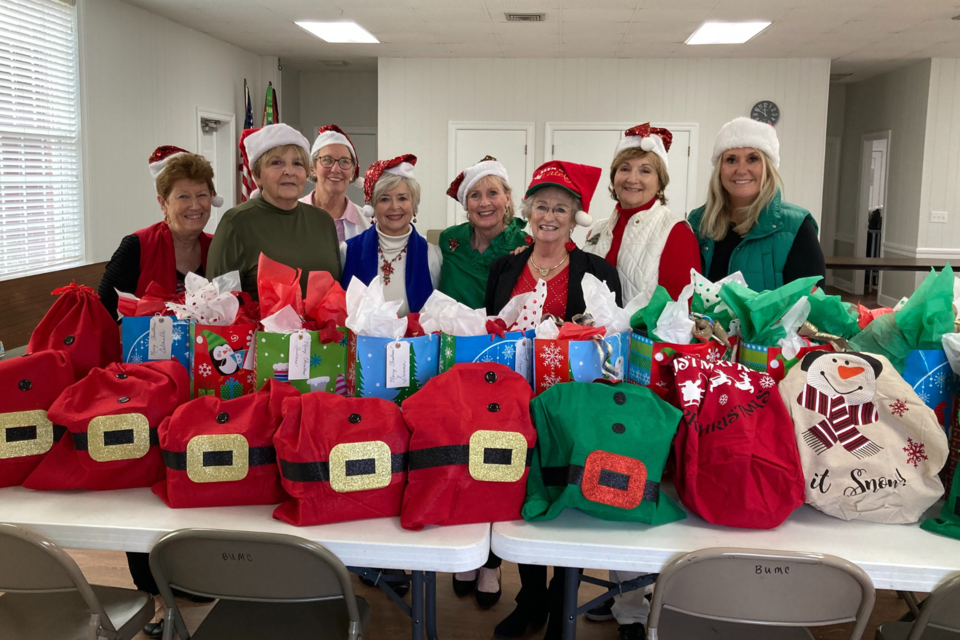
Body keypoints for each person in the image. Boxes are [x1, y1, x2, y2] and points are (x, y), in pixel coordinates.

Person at [486, 161, 621, 640]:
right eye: (541, 205)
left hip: (571, 405)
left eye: (560, 208)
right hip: (513, 402)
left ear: (574, 217)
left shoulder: (598, 272)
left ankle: (562, 600)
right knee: (523, 493)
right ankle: (531, 598)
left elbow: (611, 339)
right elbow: (492, 330)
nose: (549, 215)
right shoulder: (504, 267)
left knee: (565, 494)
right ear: (527, 212)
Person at [687, 117, 826, 291]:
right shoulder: (698, 222)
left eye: (753, 159)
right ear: (719, 169)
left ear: (768, 167)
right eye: (731, 160)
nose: (741, 170)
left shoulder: (796, 224)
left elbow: (811, 304)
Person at [207, 124, 341, 298]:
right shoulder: (236, 223)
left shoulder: (322, 221)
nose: (289, 171)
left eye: (297, 164)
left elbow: (337, 291)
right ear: (257, 175)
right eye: (276, 163)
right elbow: (219, 303)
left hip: (325, 325)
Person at [98, 146, 222, 321]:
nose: (195, 206)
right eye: (183, 197)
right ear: (163, 203)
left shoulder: (218, 247)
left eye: (202, 195)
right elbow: (102, 315)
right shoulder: (137, 247)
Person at [584, 124, 700, 304]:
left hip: (641, 333)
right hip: (593, 331)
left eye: (645, 171)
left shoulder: (676, 233)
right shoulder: (599, 230)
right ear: (614, 177)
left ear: (660, 182)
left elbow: (680, 311)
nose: (632, 179)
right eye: (624, 168)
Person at [340, 154, 441, 316]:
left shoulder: (432, 255)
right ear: (373, 206)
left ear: (414, 205)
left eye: (402, 198)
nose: (394, 206)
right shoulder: (348, 251)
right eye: (384, 199)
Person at [439, 156, 529, 309]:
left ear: (507, 198)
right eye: (475, 195)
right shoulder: (449, 238)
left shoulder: (526, 247)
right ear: (466, 203)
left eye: (492, 193)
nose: (484, 203)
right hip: (449, 331)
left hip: (503, 333)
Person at [300, 124, 369, 243]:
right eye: (327, 160)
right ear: (312, 168)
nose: (336, 169)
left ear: (353, 170)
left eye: (344, 161)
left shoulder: (368, 222)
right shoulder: (292, 215)